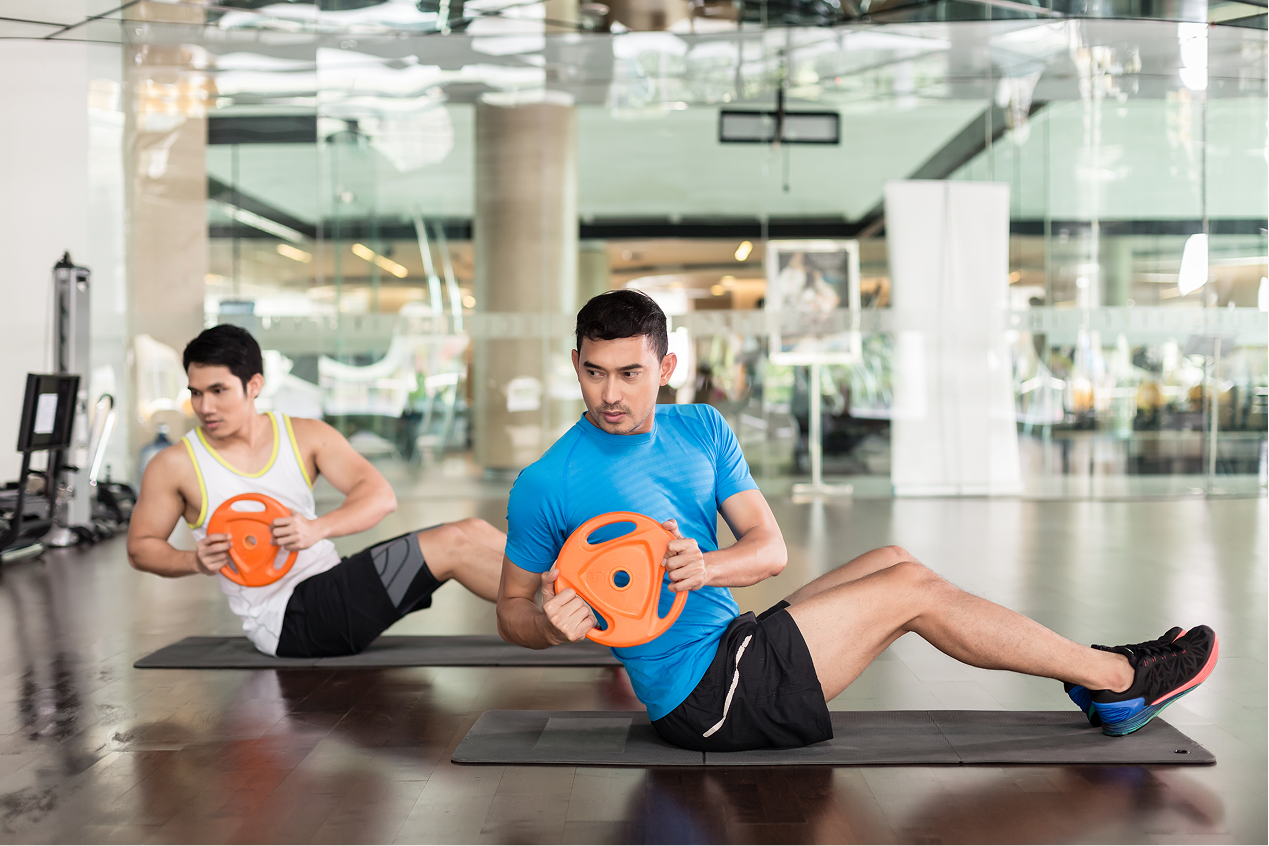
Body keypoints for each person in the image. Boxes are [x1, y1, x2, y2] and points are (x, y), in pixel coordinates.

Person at [496, 290, 1219, 751]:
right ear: (575, 363)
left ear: (666, 366)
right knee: (914, 595)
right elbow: (510, 613)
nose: (610, 393)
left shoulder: (701, 428)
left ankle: (1100, 681)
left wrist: (709, 567)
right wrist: (548, 625)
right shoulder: (546, 483)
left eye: (629, 373)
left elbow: (768, 550)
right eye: (594, 372)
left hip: (730, 641)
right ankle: (1119, 678)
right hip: (705, 701)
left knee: (895, 558)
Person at [127, 325, 504, 658]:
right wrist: (194, 561)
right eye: (196, 393)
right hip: (288, 621)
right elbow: (141, 547)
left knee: (470, 528)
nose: (204, 406)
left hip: (330, 584)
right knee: (450, 543)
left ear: (254, 385)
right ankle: (555, 610)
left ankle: (562, 584)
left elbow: (378, 496)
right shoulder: (175, 464)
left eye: (218, 390)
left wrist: (316, 529)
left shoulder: (304, 435)